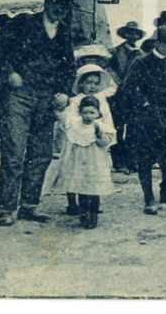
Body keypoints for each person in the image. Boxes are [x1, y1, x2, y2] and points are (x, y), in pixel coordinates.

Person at [0, 0, 77, 227]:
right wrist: (9, 73)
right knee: (14, 151)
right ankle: (6, 208)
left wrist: (65, 92)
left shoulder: (65, 33)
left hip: (47, 99)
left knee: (42, 154)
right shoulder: (23, 23)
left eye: (64, 6)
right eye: (56, 3)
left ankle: (28, 206)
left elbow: (69, 68)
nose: (59, 9)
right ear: (47, 2)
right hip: (20, 95)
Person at [118, 25, 166, 216]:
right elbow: (128, 89)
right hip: (146, 122)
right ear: (157, 43)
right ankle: (149, 199)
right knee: (145, 161)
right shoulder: (140, 62)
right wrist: (143, 103)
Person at [52, 63, 116, 216]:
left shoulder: (101, 101)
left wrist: (104, 135)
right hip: (76, 144)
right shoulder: (75, 101)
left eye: (96, 83)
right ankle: (72, 204)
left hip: (94, 145)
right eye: (88, 83)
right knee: (74, 172)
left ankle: (92, 205)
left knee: (93, 172)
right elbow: (69, 121)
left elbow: (107, 121)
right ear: (81, 83)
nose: (92, 87)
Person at [46, 95, 116, 230]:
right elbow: (68, 135)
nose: (88, 116)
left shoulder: (100, 126)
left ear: (98, 113)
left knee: (93, 190)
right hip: (79, 163)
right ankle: (84, 213)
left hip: (94, 163)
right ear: (80, 112)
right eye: (85, 112)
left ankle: (93, 214)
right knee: (81, 189)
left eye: (92, 113)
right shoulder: (76, 125)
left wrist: (99, 136)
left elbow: (105, 143)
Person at [107, 21, 145, 174]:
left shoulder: (141, 54)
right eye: (129, 33)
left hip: (134, 96)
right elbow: (108, 67)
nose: (132, 36)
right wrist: (117, 81)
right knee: (116, 127)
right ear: (125, 35)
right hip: (118, 95)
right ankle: (118, 162)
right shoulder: (115, 51)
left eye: (135, 34)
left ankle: (131, 161)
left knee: (134, 129)